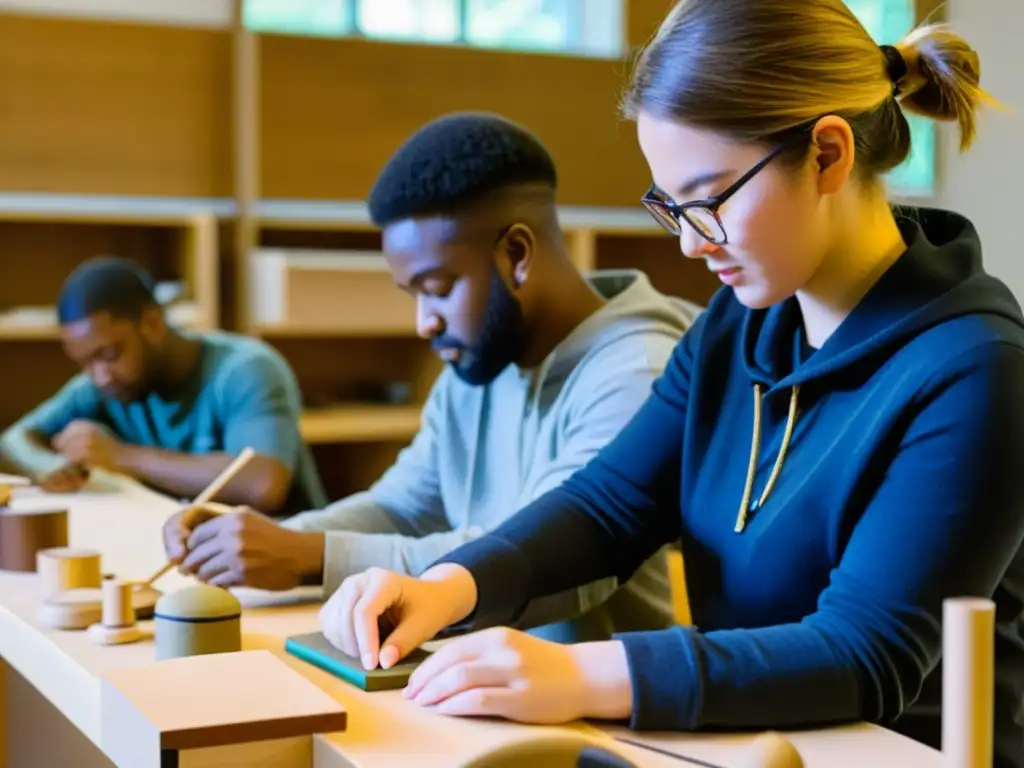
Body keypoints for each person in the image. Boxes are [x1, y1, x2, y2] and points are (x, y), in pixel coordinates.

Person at [318, 3, 1024, 766]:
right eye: (671, 205)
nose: (689, 241)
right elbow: (608, 506)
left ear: (827, 155)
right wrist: (449, 586)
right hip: (748, 744)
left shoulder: (977, 368)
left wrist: (580, 672)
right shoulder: (736, 325)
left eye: (711, 200)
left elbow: (865, 653)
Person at [162, 111, 702, 644]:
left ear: (516, 254)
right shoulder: (483, 357)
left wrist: (310, 558)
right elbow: (406, 506)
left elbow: (552, 558)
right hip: (471, 678)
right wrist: (265, 541)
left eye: (438, 287)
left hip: (590, 713)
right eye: (414, 294)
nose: (424, 322)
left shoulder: (637, 370)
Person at [0, 257, 326, 516]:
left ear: (153, 323)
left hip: (286, 570)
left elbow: (263, 482)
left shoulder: (245, 369)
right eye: (84, 362)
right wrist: (51, 467)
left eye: (109, 354)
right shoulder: (104, 382)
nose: (99, 375)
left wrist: (122, 457)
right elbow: (15, 439)